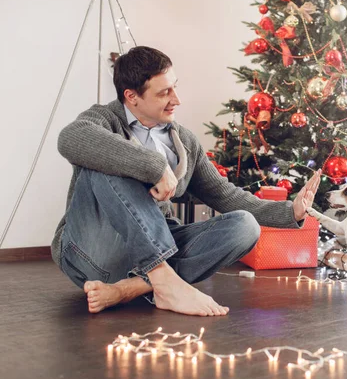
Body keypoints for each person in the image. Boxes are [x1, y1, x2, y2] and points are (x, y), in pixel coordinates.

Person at [51, 46, 321, 317]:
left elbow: (222, 194)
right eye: (164, 93)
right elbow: (70, 138)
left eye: (174, 88)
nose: (176, 100)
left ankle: (134, 287)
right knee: (107, 156)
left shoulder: (184, 141)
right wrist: (156, 167)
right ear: (131, 96)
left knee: (245, 226)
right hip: (93, 250)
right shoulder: (103, 120)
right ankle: (161, 279)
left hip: (150, 250)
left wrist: (290, 211)